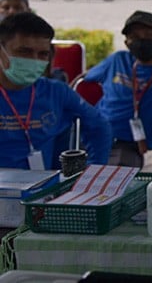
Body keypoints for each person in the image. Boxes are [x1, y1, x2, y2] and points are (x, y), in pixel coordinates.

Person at [0, 12, 111, 170]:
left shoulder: (56, 92)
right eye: (24, 51)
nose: (34, 60)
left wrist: (93, 173)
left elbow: (100, 127)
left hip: (44, 188)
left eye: (43, 54)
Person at [84, 10, 152, 168]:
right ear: (126, 42)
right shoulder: (117, 60)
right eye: (135, 37)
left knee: (112, 186)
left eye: (149, 35)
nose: (142, 40)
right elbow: (83, 80)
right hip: (92, 133)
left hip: (127, 146)